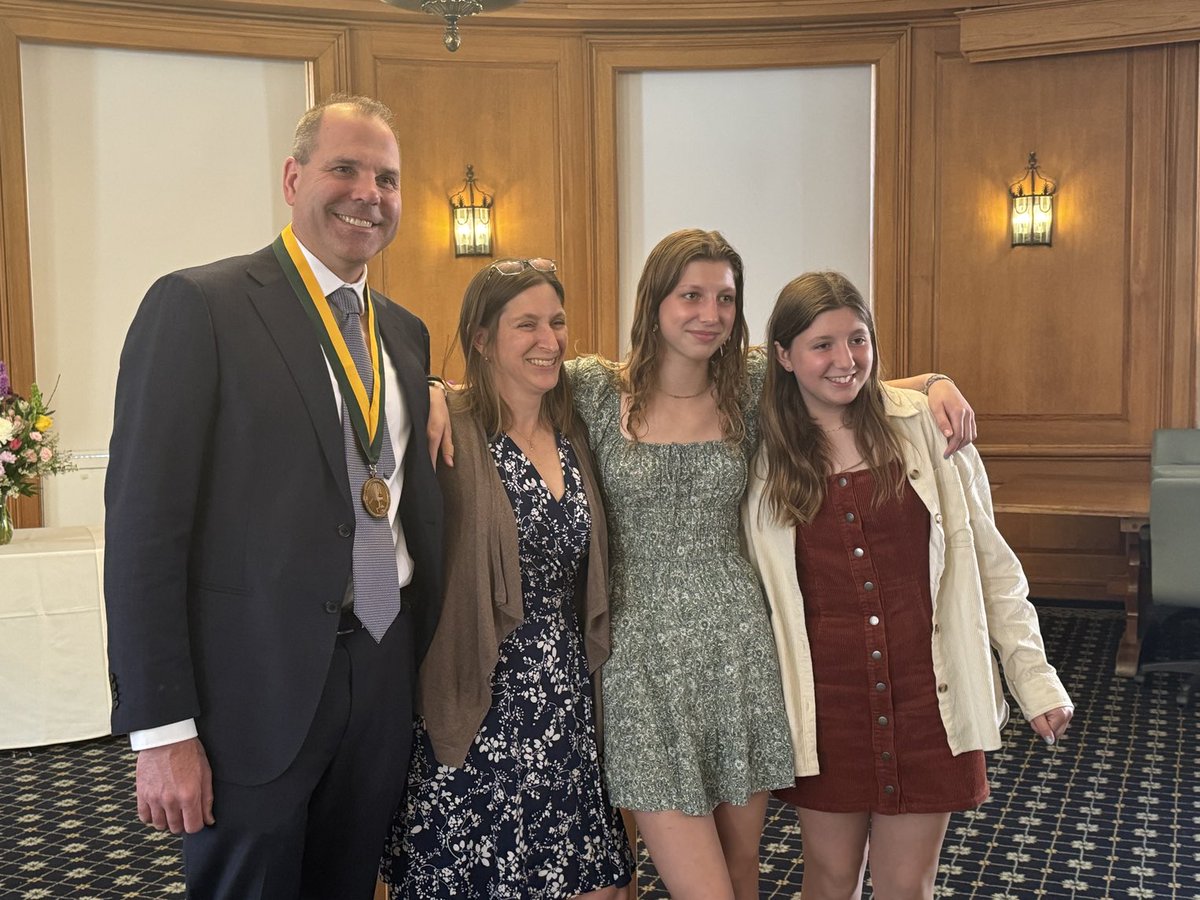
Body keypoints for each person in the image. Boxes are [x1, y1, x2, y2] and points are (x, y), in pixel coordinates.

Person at [104, 94, 449, 899]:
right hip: (250, 691)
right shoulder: (200, 306)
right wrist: (161, 730)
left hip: (381, 667)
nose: (369, 193)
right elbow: (145, 533)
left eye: (388, 178)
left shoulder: (403, 332)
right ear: (294, 178)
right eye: (345, 168)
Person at [564, 229, 977, 899]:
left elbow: (843, 374)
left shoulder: (751, 383)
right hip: (644, 665)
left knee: (740, 870)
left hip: (743, 651)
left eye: (725, 298)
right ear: (654, 302)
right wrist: (436, 388)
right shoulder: (595, 389)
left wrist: (934, 383)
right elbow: (503, 378)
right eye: (690, 295)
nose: (709, 314)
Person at [743, 271, 1074, 900]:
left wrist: (1034, 678)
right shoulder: (760, 451)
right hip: (826, 703)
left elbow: (990, 566)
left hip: (930, 695)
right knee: (831, 876)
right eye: (822, 345)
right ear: (782, 356)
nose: (846, 361)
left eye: (858, 340)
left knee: (907, 884)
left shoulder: (926, 425)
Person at [380, 257, 632, 898]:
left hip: (564, 699)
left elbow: (692, 369)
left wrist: (930, 380)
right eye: (527, 325)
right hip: (476, 692)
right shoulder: (450, 429)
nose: (549, 341)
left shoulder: (576, 429)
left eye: (557, 322)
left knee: (589, 881)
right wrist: (430, 389)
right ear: (482, 337)